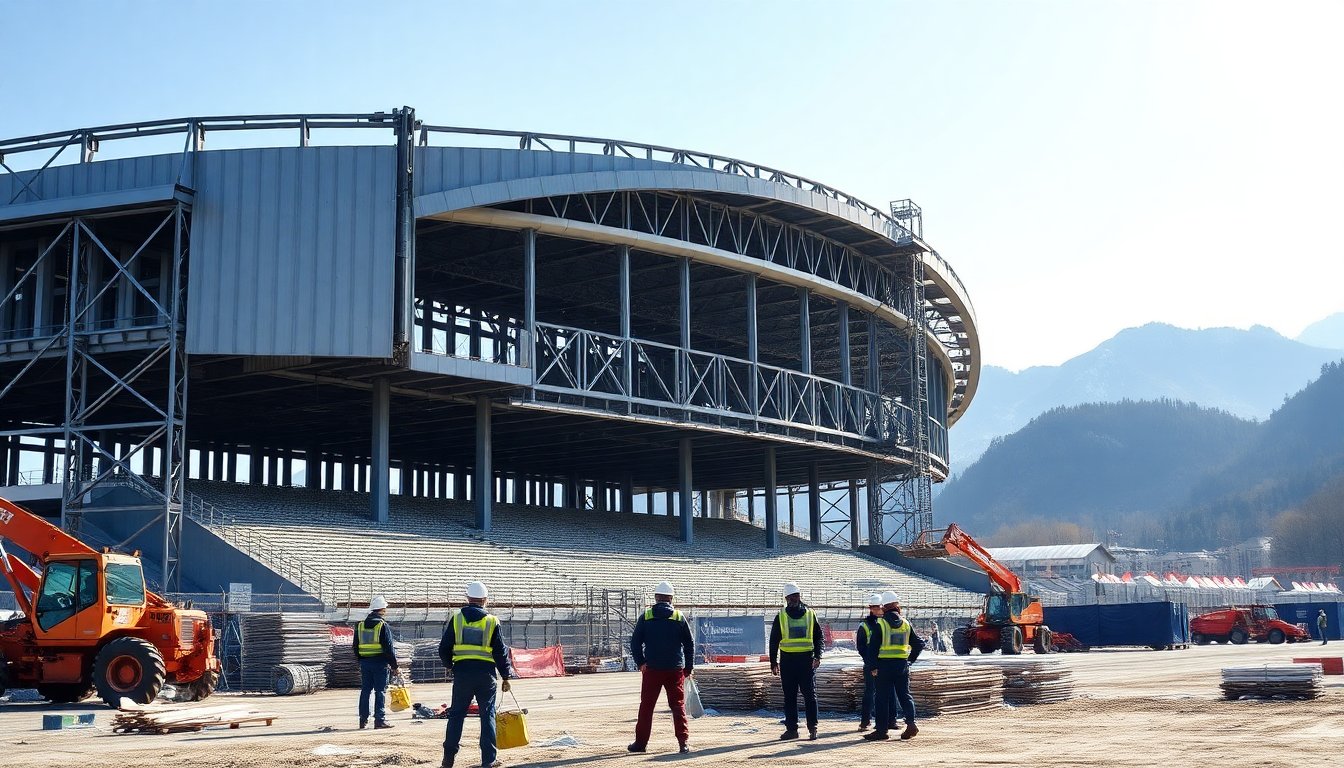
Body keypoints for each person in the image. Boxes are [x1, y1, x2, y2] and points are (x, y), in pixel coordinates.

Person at [439, 581, 513, 768]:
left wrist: (450, 666)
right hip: (485, 675)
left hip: (462, 673)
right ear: (485, 600)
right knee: (487, 715)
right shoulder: (492, 621)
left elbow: (444, 648)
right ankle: (488, 761)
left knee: (456, 715)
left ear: (468, 598)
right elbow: (500, 653)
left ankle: (448, 761)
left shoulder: (456, 618)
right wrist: (505, 675)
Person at [628, 580, 694, 755]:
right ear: (671, 598)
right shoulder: (679, 617)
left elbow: (635, 643)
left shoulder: (646, 616)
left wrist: (641, 662)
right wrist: (688, 667)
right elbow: (689, 644)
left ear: (656, 598)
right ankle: (683, 743)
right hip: (675, 670)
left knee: (647, 706)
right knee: (678, 706)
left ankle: (640, 744)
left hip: (652, 670)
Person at [862, 591, 924, 743]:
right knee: (904, 695)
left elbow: (872, 649)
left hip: (883, 667)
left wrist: (873, 667)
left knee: (881, 698)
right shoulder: (906, 624)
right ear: (897, 606)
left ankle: (882, 731)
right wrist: (910, 660)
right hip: (901, 666)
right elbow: (918, 644)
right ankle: (911, 723)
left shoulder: (880, 624)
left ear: (884, 607)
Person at [769, 582, 822, 741]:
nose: (793, 598)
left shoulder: (808, 614)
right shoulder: (782, 615)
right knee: (799, 696)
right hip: (794, 661)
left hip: (800, 661)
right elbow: (774, 640)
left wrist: (818, 655)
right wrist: (773, 661)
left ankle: (805, 728)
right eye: (792, 596)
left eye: (795, 596)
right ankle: (800, 729)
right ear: (787, 598)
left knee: (802, 696)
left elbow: (818, 637)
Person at [354, 595, 399, 730]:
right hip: (380, 663)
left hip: (365, 663)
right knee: (380, 691)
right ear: (382, 609)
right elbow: (389, 648)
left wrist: (361, 660)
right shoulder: (382, 625)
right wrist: (394, 666)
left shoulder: (360, 625)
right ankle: (379, 720)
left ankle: (363, 720)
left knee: (365, 691)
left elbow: (355, 646)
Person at [855, 593, 895, 732]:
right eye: (876, 607)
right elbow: (861, 647)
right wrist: (871, 664)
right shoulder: (865, 626)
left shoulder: (887, 623)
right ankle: (865, 722)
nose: (879, 610)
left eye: (880, 607)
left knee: (889, 692)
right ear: (871, 608)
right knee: (870, 692)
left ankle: (890, 721)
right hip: (872, 665)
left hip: (886, 663)